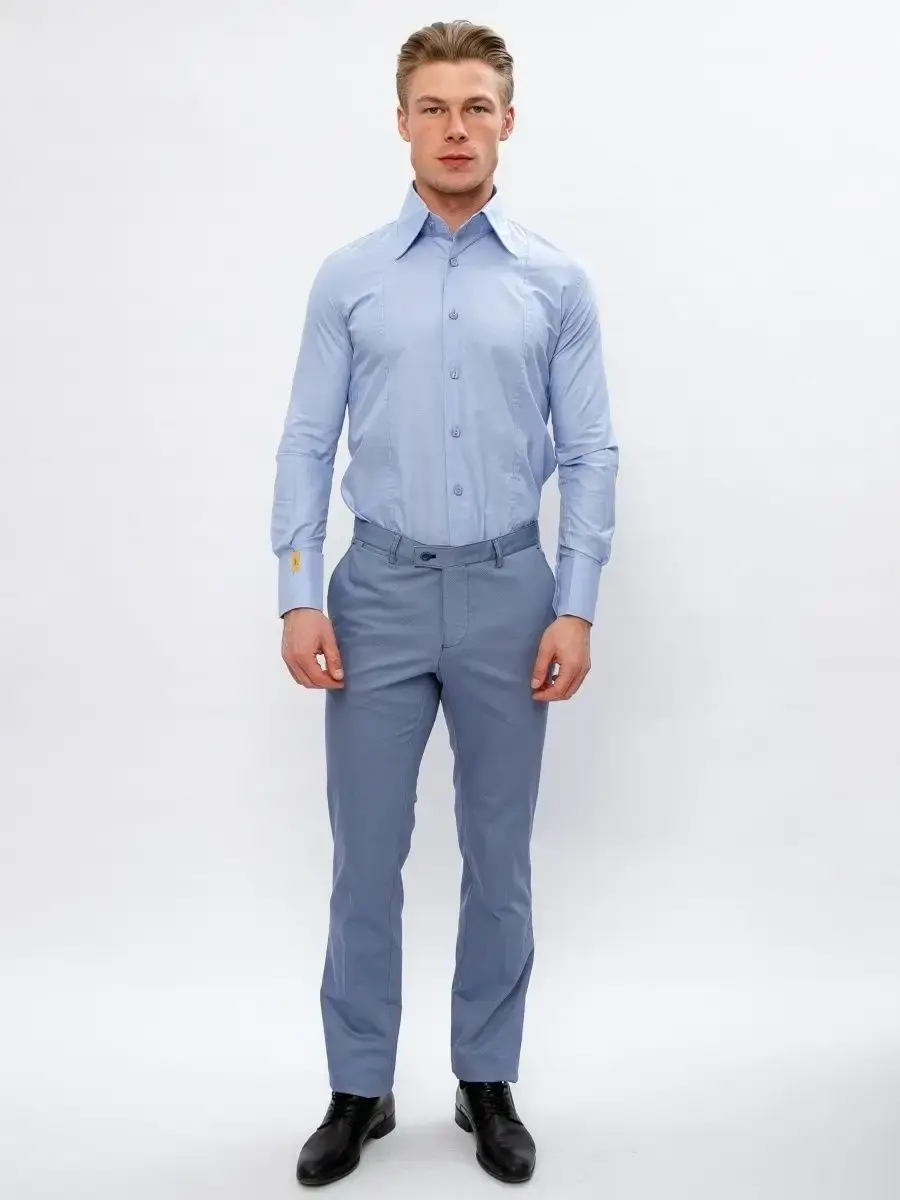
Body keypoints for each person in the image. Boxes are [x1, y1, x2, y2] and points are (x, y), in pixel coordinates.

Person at [270, 18, 618, 1187]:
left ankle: (486, 1080)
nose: (455, 128)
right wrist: (297, 593)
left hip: (513, 594)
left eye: (475, 107)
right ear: (402, 122)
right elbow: (307, 440)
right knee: (366, 857)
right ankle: (358, 1088)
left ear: (507, 122)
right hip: (375, 593)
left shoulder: (556, 281)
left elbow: (593, 450)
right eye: (434, 107)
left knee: (498, 855)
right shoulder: (351, 277)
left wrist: (575, 604)